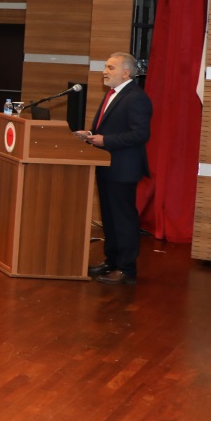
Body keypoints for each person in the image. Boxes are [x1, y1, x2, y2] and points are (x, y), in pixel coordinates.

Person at [78, 52, 153, 285]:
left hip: (123, 167)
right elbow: (109, 127)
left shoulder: (136, 97)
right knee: (109, 218)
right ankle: (111, 261)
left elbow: (140, 134)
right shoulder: (113, 93)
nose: (104, 71)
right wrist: (91, 135)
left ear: (126, 73)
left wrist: (105, 141)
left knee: (123, 219)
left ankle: (126, 269)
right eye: (105, 67)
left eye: (110, 67)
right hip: (107, 165)